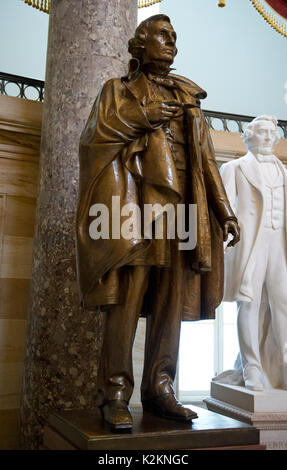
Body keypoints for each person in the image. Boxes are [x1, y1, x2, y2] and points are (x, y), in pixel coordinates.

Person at [76, 14, 239, 431]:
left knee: (170, 303)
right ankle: (113, 392)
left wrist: (224, 211)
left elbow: (205, 159)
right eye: (162, 36)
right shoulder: (119, 91)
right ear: (139, 45)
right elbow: (95, 139)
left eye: (174, 38)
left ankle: (160, 390)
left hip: (185, 206)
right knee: (128, 301)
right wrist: (143, 115)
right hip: (138, 206)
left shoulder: (188, 96)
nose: (171, 44)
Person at [220, 115, 287, 391]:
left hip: (279, 242)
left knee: (282, 302)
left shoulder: (284, 171)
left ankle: (283, 360)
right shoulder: (234, 167)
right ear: (248, 136)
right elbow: (222, 212)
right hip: (250, 243)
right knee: (249, 302)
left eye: (272, 133)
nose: (268, 137)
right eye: (262, 132)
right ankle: (252, 367)